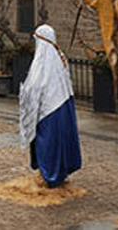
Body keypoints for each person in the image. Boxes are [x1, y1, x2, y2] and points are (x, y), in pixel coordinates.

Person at [19, 24, 82, 188]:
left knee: (48, 143)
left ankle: (49, 175)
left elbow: (35, 86)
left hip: (49, 111)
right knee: (60, 141)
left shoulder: (43, 62)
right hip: (63, 107)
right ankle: (60, 173)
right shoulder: (60, 60)